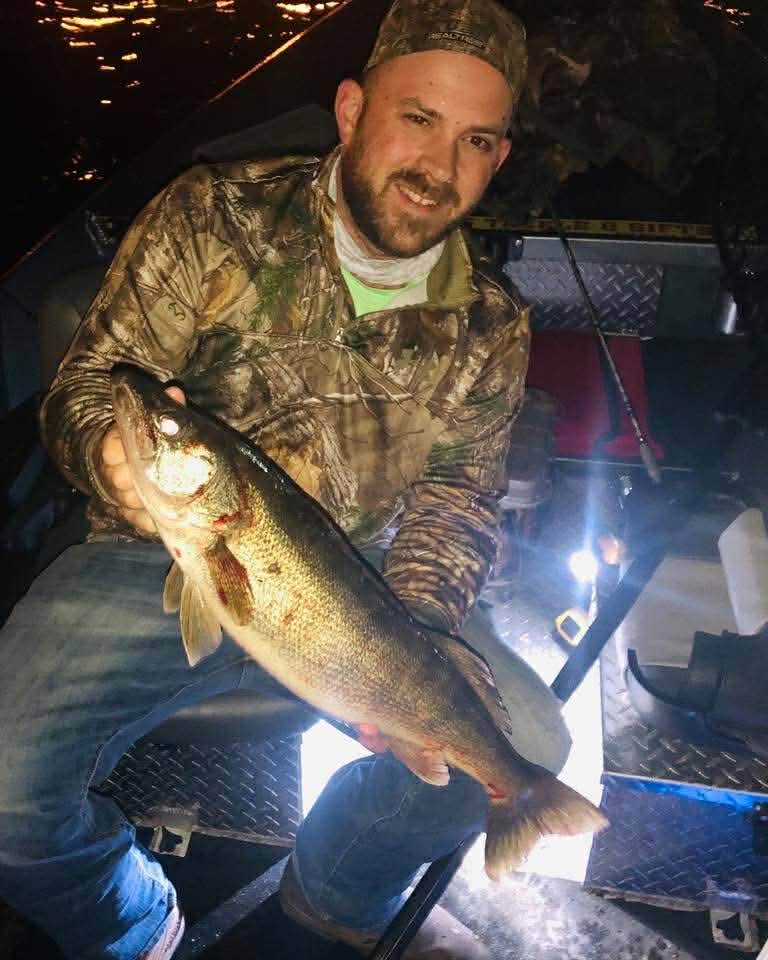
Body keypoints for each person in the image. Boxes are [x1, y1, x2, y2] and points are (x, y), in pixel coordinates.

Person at [0, 1, 572, 957]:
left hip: (372, 584)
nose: (439, 166)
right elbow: (94, 384)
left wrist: (412, 647)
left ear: (498, 157)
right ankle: (128, 916)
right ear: (351, 111)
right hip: (155, 548)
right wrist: (110, 453)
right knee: (3, 786)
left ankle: (334, 889)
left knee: (533, 755)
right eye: (417, 118)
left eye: (475, 140)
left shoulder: (490, 321)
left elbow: (457, 499)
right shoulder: (213, 215)